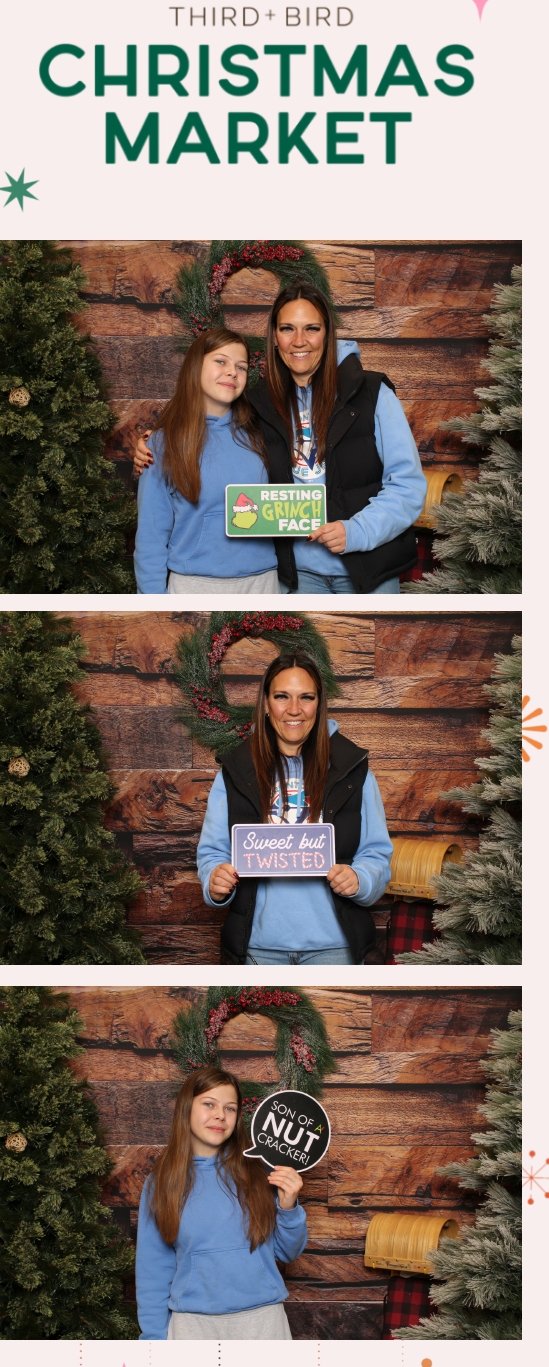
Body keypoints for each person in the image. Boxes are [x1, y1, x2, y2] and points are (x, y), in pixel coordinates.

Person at [134, 282, 426, 595]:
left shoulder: (371, 393)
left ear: (328, 333)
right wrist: (153, 443)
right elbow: (204, 421)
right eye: (287, 328)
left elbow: (408, 486)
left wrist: (356, 532)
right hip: (296, 578)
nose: (299, 341)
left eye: (312, 328)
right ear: (275, 337)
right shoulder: (260, 403)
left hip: (369, 570)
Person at [197, 649, 392, 964]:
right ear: (266, 703)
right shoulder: (236, 769)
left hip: (333, 949)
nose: (294, 709)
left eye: (306, 697)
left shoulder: (352, 768)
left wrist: (361, 879)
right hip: (257, 950)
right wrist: (214, 880)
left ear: (319, 704)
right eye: (282, 696)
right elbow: (213, 854)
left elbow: (376, 853)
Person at [135, 1066, 307, 1340]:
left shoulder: (261, 1174)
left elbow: (287, 1252)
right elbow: (152, 1273)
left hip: (262, 1323)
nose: (220, 1115)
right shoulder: (162, 1183)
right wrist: (154, 1343)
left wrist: (288, 1208)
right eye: (209, 1104)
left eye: (230, 1108)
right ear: (186, 1108)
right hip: (192, 1326)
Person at [132, 327, 279, 594]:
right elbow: (151, 538)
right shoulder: (162, 444)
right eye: (221, 361)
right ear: (195, 366)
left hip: (263, 583)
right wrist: (153, 606)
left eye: (241, 367)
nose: (232, 372)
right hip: (194, 585)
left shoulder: (262, 434)